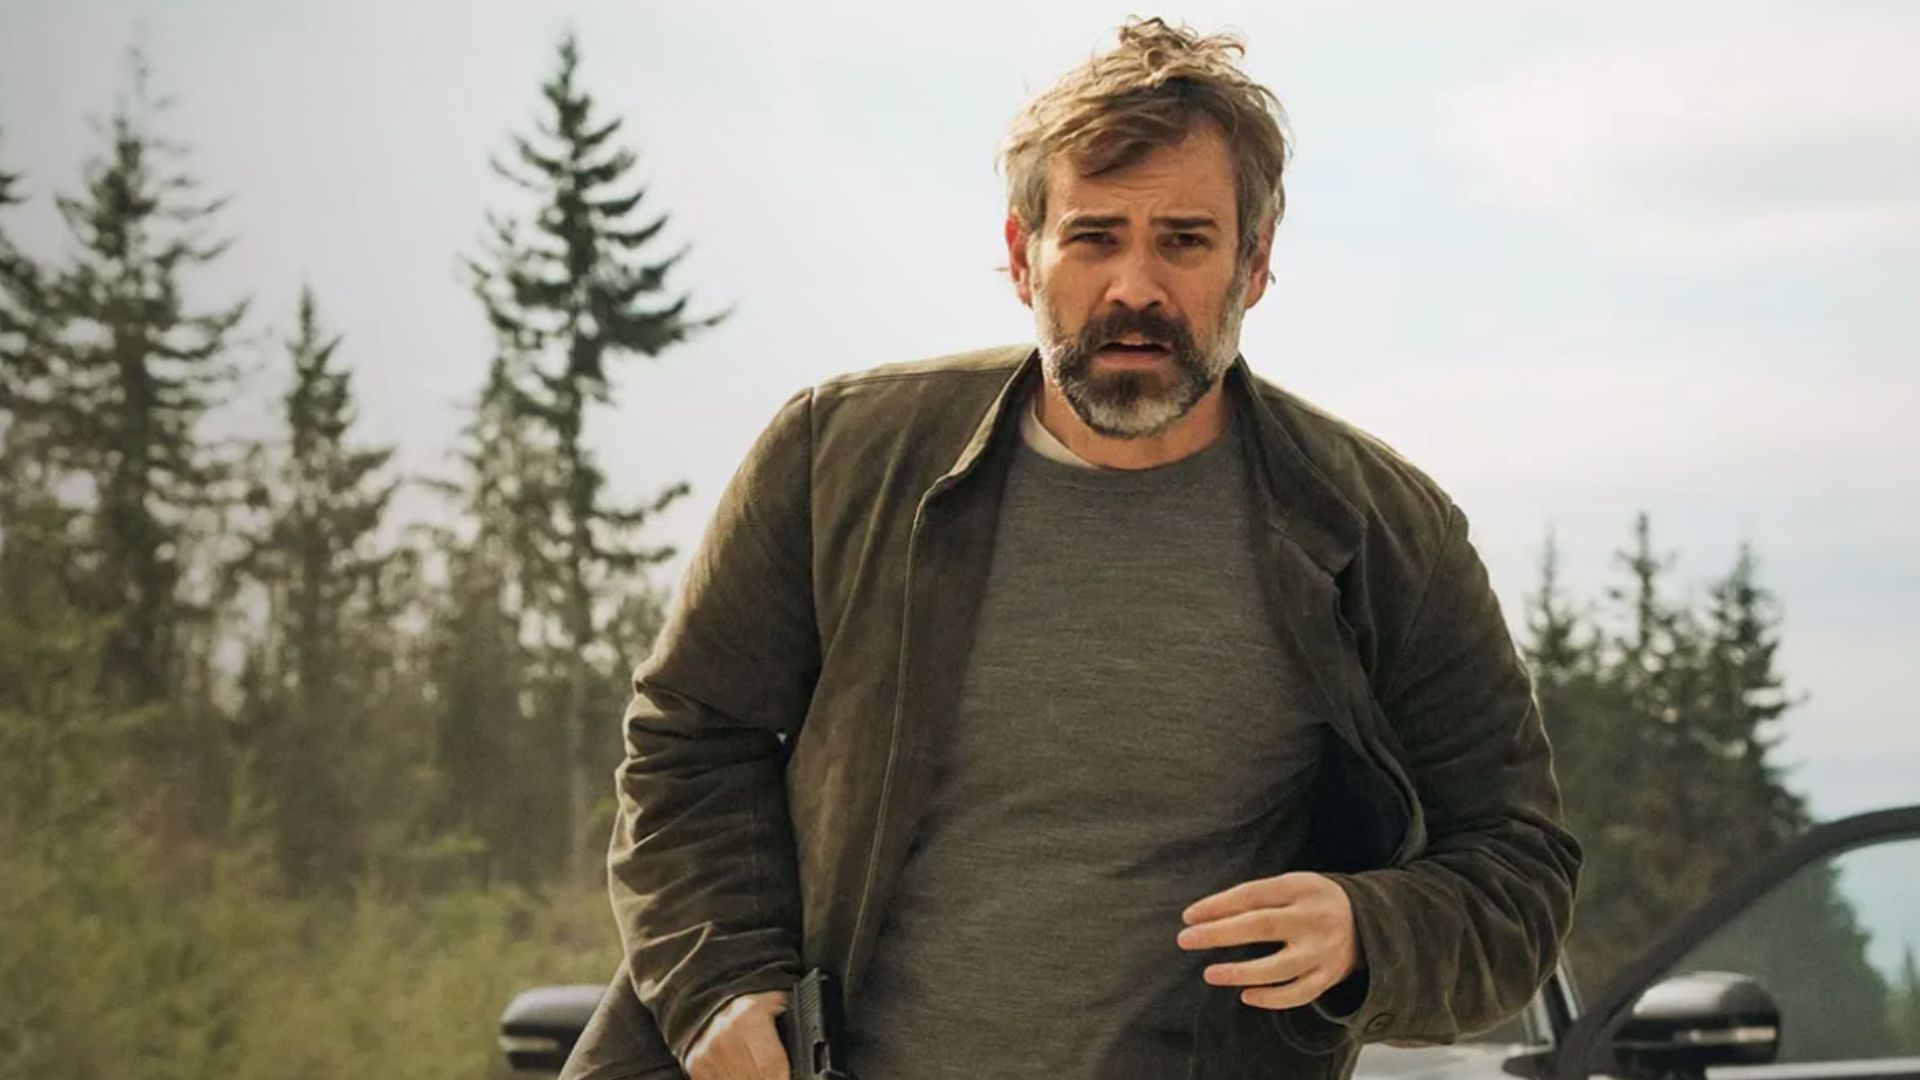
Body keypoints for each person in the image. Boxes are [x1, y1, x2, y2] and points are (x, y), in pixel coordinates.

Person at [559, 16, 1581, 1080]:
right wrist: (719, 985)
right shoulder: (839, 458)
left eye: (1184, 240)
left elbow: (1519, 866)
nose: (1135, 287)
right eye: (1094, 237)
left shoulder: (1383, 533)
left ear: (1256, 263)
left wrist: (1368, 929)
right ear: (1022, 256)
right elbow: (692, 738)